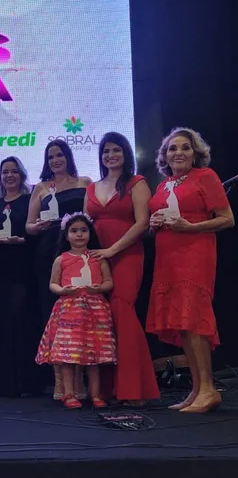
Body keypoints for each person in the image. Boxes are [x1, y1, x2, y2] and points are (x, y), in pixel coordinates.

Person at [148, 128, 234, 413]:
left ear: (195, 153)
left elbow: (227, 219)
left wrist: (191, 226)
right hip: (167, 259)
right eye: (172, 148)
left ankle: (209, 389)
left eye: (185, 147)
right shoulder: (164, 185)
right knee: (182, 322)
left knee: (194, 318)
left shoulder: (205, 177)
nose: (179, 153)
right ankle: (196, 390)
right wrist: (154, 223)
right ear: (165, 156)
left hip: (195, 254)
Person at [84, 132, 158, 406]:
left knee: (122, 311)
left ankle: (134, 389)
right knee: (103, 319)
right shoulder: (92, 187)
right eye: (106, 151)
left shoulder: (137, 183)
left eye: (116, 150)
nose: (111, 155)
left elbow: (142, 223)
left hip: (127, 255)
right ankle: (106, 389)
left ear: (125, 153)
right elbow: (85, 224)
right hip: (98, 257)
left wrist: (113, 250)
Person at [26, 139, 92, 400]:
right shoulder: (41, 187)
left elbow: (89, 220)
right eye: (51, 156)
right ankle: (58, 381)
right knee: (53, 316)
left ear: (68, 157)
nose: (55, 160)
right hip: (47, 254)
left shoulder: (84, 182)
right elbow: (29, 226)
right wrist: (38, 227)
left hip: (77, 253)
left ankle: (79, 379)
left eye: (60, 155)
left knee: (80, 316)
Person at [35, 213, 116, 409]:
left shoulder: (98, 258)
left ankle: (95, 394)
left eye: (83, 230)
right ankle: (69, 394)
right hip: (69, 310)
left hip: (94, 311)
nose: (79, 234)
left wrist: (99, 288)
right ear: (66, 235)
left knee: (94, 355)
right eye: (74, 231)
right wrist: (63, 290)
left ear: (90, 233)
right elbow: (53, 284)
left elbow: (108, 282)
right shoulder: (61, 259)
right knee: (67, 355)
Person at [0, 157, 44, 397]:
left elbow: (36, 232)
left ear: (22, 175)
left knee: (24, 323)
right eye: (5, 172)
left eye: (14, 171)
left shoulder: (30, 201)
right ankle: (3, 384)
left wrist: (22, 240)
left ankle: (28, 382)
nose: (9, 175)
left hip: (23, 270)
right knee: (1, 325)